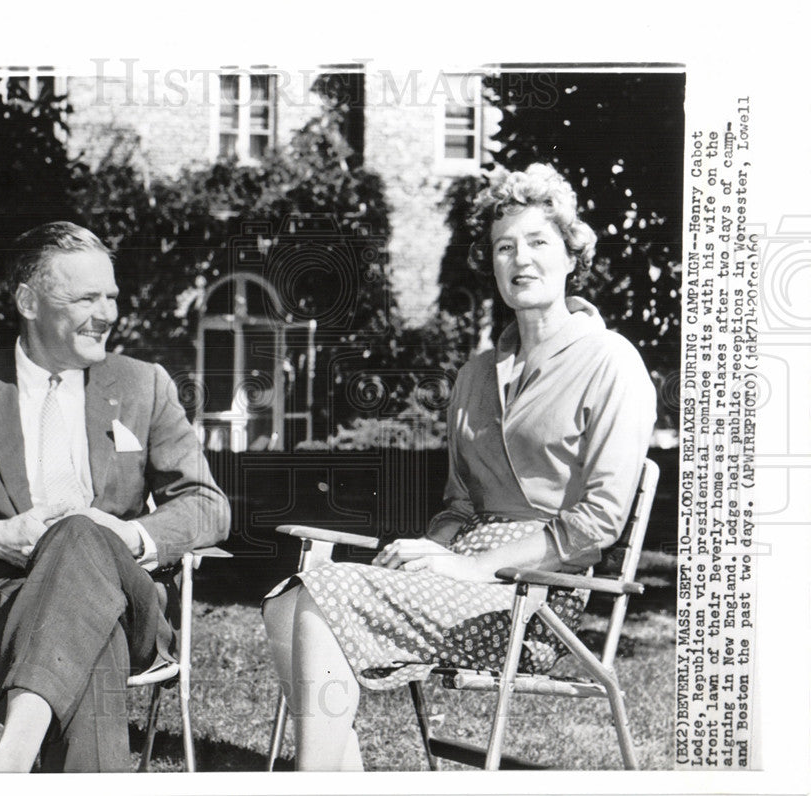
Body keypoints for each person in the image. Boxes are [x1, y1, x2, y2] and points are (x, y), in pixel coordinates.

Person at [262, 163, 657, 771]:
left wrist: (473, 566)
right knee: (284, 603)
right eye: (504, 247)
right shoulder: (478, 372)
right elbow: (459, 505)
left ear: (572, 254)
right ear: (491, 262)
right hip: (462, 574)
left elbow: (597, 521)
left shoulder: (610, 361)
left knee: (321, 594)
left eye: (538, 242)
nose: (520, 260)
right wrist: (426, 551)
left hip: (541, 595)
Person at [0, 222, 231, 772]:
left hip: (130, 603)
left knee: (80, 533)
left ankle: (14, 756)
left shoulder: (143, 384)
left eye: (112, 297)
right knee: (94, 643)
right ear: (28, 301)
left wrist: (128, 534)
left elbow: (207, 502)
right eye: (85, 298)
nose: (108, 314)